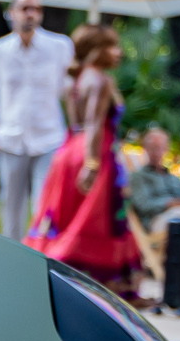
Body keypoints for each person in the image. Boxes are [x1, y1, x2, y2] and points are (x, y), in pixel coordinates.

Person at [24, 23, 142, 294]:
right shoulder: (101, 80)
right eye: (111, 46)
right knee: (95, 223)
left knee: (63, 220)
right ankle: (105, 288)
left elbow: (78, 125)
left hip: (68, 153)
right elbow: (94, 123)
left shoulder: (74, 82)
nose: (118, 52)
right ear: (94, 51)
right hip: (94, 154)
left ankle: (50, 278)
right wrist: (92, 163)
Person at [0, 0, 75, 241]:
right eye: (25, 8)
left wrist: (75, 131)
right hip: (11, 139)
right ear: (12, 13)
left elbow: (72, 91)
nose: (31, 14)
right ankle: (13, 256)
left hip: (49, 137)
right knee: (11, 205)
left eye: (36, 9)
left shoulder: (60, 46)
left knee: (45, 204)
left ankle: (42, 254)